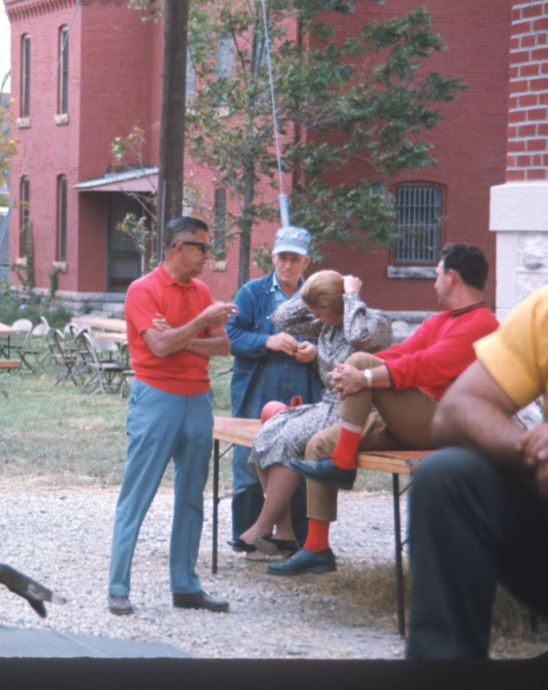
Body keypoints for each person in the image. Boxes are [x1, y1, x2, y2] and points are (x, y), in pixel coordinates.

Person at [273, 243, 499, 576]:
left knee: (363, 364)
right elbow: (400, 353)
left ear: (451, 277)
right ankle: (316, 548)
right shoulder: (440, 321)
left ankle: (342, 464)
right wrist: (347, 371)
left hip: (445, 423)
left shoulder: (482, 324)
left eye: (436, 274)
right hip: (411, 417)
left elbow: (424, 367)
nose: (433, 282)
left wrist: (362, 374)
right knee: (320, 443)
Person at [405, 285, 548, 659]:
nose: (434, 284)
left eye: (437, 276)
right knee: (447, 477)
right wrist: (534, 454)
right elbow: (457, 409)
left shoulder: (474, 322)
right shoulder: (543, 310)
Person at [107, 216, 237, 616]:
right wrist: (198, 326)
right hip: (156, 398)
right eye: (202, 248)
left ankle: (185, 586)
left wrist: (182, 336)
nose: (208, 257)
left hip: (197, 400)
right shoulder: (141, 290)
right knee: (138, 493)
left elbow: (224, 346)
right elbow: (160, 347)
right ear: (178, 247)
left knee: (192, 497)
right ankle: (118, 587)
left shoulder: (200, 290)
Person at [231, 271, 392, 559]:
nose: (314, 317)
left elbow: (358, 336)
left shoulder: (374, 321)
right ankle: (285, 533)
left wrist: (350, 295)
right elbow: (281, 318)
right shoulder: (327, 324)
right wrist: (312, 293)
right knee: (267, 433)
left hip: (362, 412)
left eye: (319, 311)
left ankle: (262, 527)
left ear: (335, 308)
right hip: (328, 406)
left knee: (290, 438)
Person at [226, 226, 321, 549]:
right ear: (273, 257)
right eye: (283, 257)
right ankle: (250, 537)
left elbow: (336, 342)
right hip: (257, 385)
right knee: (249, 456)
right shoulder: (251, 293)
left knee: (298, 458)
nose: (288, 265)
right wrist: (267, 340)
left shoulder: (318, 297)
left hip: (302, 386)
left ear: (306, 261)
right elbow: (230, 336)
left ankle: (292, 539)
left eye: (295, 259)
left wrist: (314, 352)